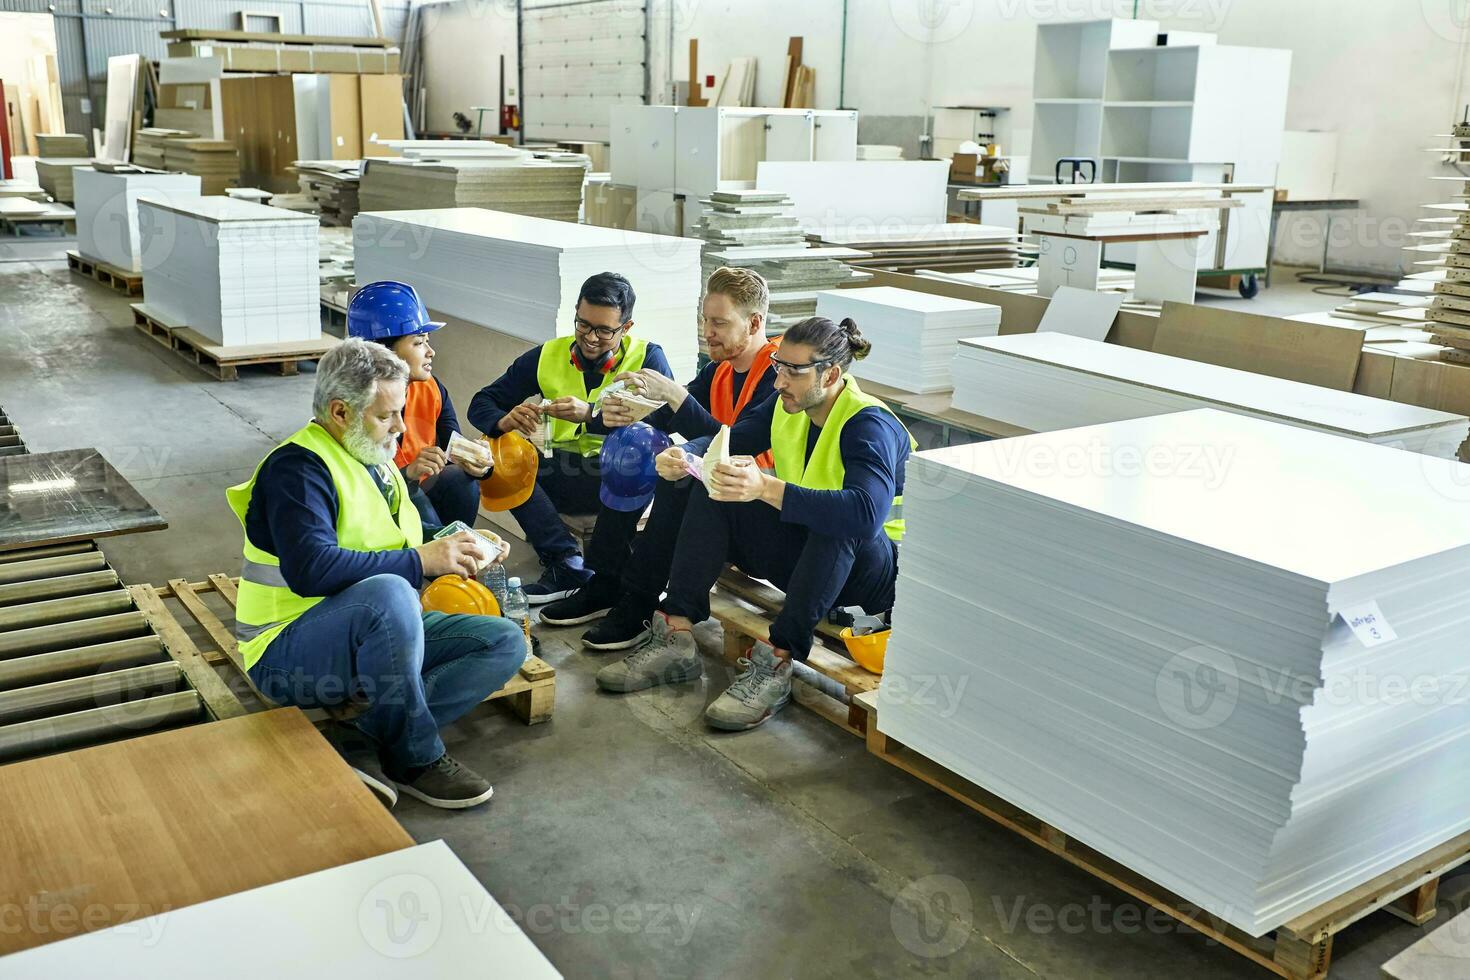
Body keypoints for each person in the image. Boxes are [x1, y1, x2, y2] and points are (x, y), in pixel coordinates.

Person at [227, 338, 526, 809]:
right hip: (287, 650)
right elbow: (312, 570)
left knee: (505, 641)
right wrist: (424, 561)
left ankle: (366, 734)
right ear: (340, 411)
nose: (402, 428)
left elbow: (413, 532)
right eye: (387, 415)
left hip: (371, 634)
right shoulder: (297, 469)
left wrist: (465, 543)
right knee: (390, 593)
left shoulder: (374, 457)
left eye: (400, 412)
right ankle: (414, 758)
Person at [596, 316, 912, 732]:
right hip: (805, 560)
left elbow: (865, 514)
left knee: (839, 526)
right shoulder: (789, 402)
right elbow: (730, 439)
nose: (779, 380)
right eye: (779, 365)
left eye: (792, 371)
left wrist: (765, 488)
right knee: (717, 484)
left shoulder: (869, 425)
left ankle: (777, 660)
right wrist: (685, 454)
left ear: (831, 374)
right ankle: (676, 632)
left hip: (866, 579)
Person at [539, 266, 780, 652]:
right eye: (705, 319)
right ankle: (605, 581)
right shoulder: (720, 368)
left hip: (756, 510)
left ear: (754, 323)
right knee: (632, 445)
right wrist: (617, 413)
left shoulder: (779, 374)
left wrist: (672, 394)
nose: (707, 331)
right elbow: (670, 415)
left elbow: (733, 439)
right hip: (723, 496)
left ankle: (640, 599)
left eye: (719, 322)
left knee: (680, 474)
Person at [467, 272, 673, 603]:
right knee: (495, 452)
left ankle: (591, 568)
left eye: (605, 330)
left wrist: (591, 415)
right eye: (583, 324)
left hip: (618, 478)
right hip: (557, 472)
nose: (591, 338)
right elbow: (482, 402)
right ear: (576, 311)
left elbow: (663, 423)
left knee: (640, 449)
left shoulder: (648, 359)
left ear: (627, 328)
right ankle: (565, 563)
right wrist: (504, 420)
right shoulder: (546, 355)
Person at [348, 280, 488, 528]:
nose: (430, 351)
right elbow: (355, 497)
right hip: (370, 513)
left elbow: (453, 447)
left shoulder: (430, 388)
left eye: (427, 340)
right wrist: (408, 475)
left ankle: (452, 560)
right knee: (416, 502)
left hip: (415, 491)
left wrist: (478, 463)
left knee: (459, 479)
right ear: (383, 350)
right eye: (418, 342)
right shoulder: (350, 407)